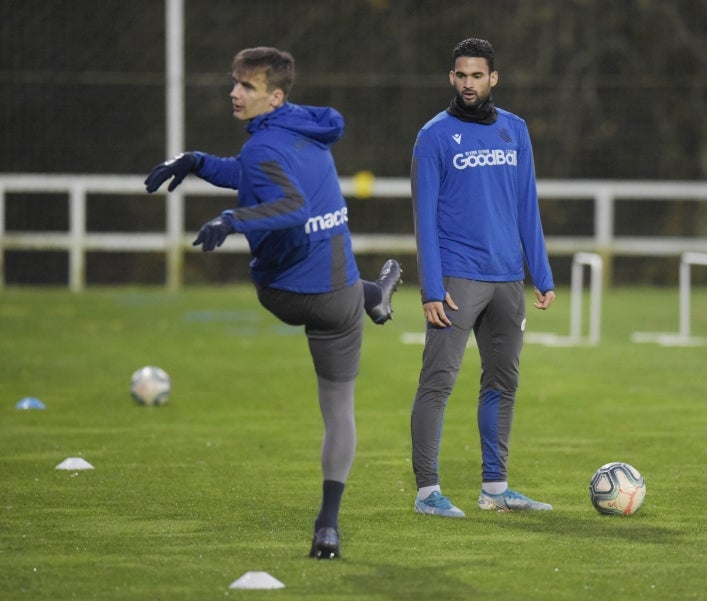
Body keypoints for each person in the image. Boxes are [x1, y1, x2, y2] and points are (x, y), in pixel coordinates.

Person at [144, 47, 401, 558]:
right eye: (234, 83)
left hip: (283, 294)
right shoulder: (303, 128)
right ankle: (328, 524)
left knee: (339, 366)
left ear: (274, 96)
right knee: (339, 411)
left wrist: (230, 220)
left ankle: (372, 295)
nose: (235, 94)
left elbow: (288, 205)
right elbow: (251, 175)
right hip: (334, 295)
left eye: (247, 87)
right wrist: (197, 162)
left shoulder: (264, 149)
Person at [409, 38, 556, 518]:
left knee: (502, 383)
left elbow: (525, 205)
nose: (467, 83)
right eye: (460, 75)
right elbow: (423, 218)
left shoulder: (515, 130)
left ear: (493, 79)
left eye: (477, 75)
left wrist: (542, 273)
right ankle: (427, 492)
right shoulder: (433, 135)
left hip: (508, 279)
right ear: (451, 78)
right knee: (438, 383)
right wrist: (432, 288)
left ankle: (495, 489)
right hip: (457, 279)